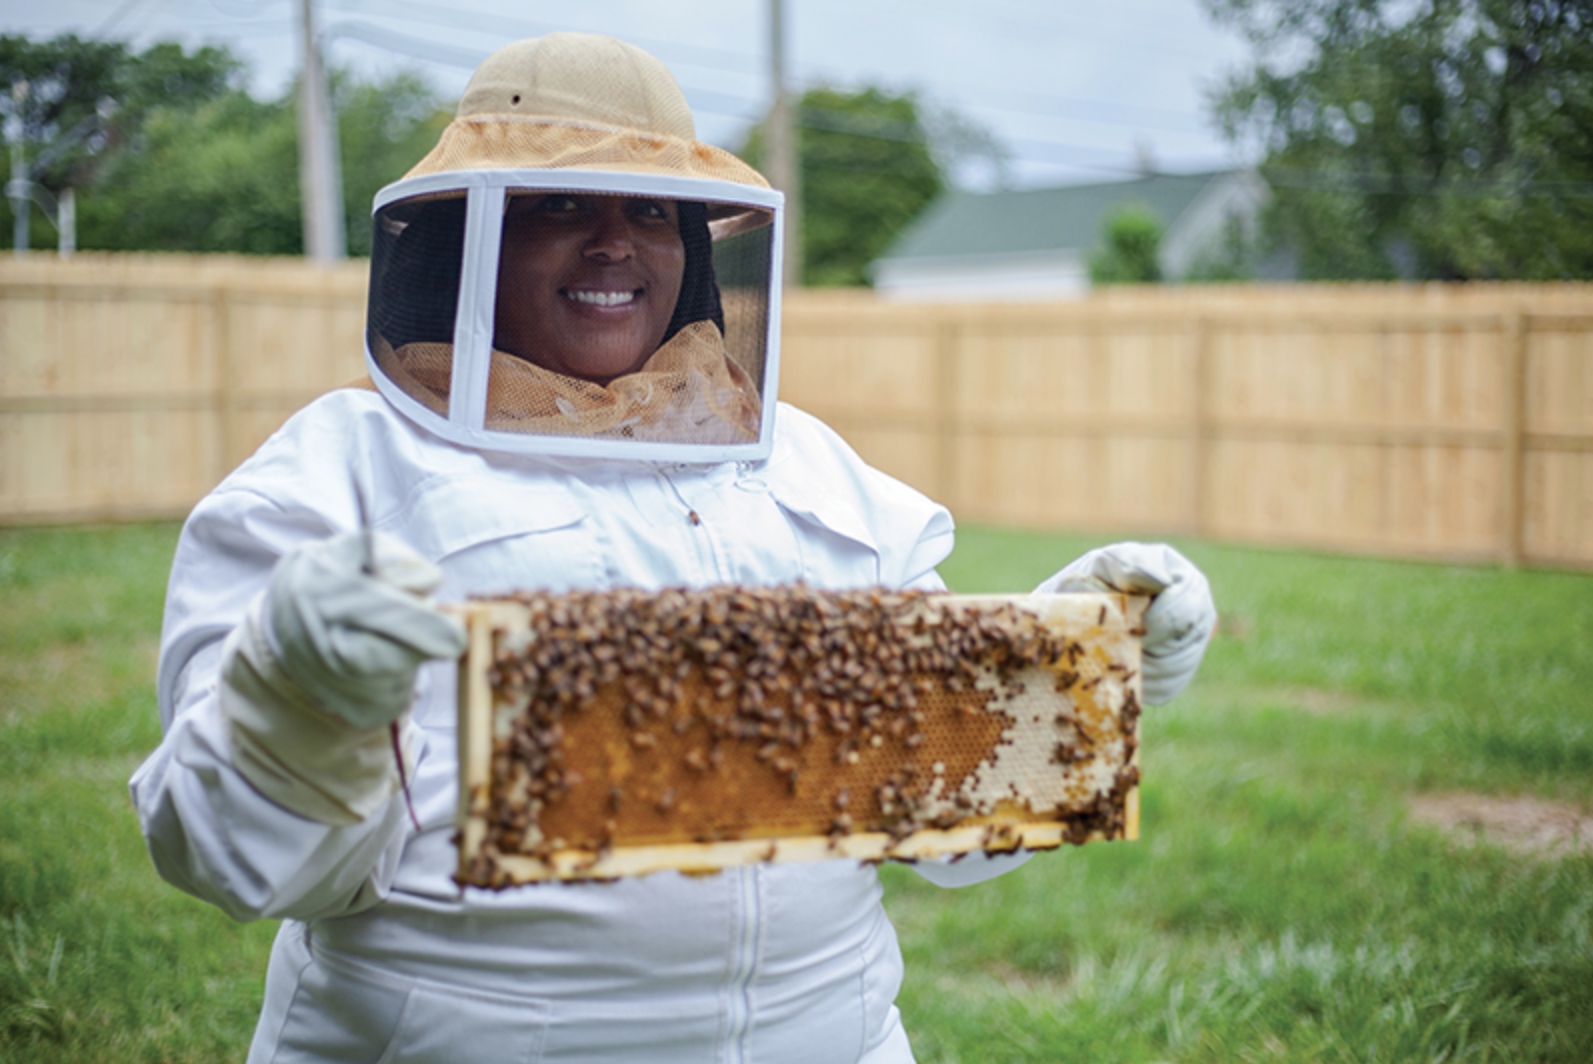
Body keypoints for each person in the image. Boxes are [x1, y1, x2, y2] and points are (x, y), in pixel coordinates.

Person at [130, 32, 1216, 1064]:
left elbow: (932, 801)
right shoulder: (340, 467)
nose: (614, 239)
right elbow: (226, 855)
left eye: (649, 206)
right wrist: (291, 697)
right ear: (466, 233)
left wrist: (1070, 673)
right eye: (559, 203)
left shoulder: (800, 463)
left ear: (692, 242)